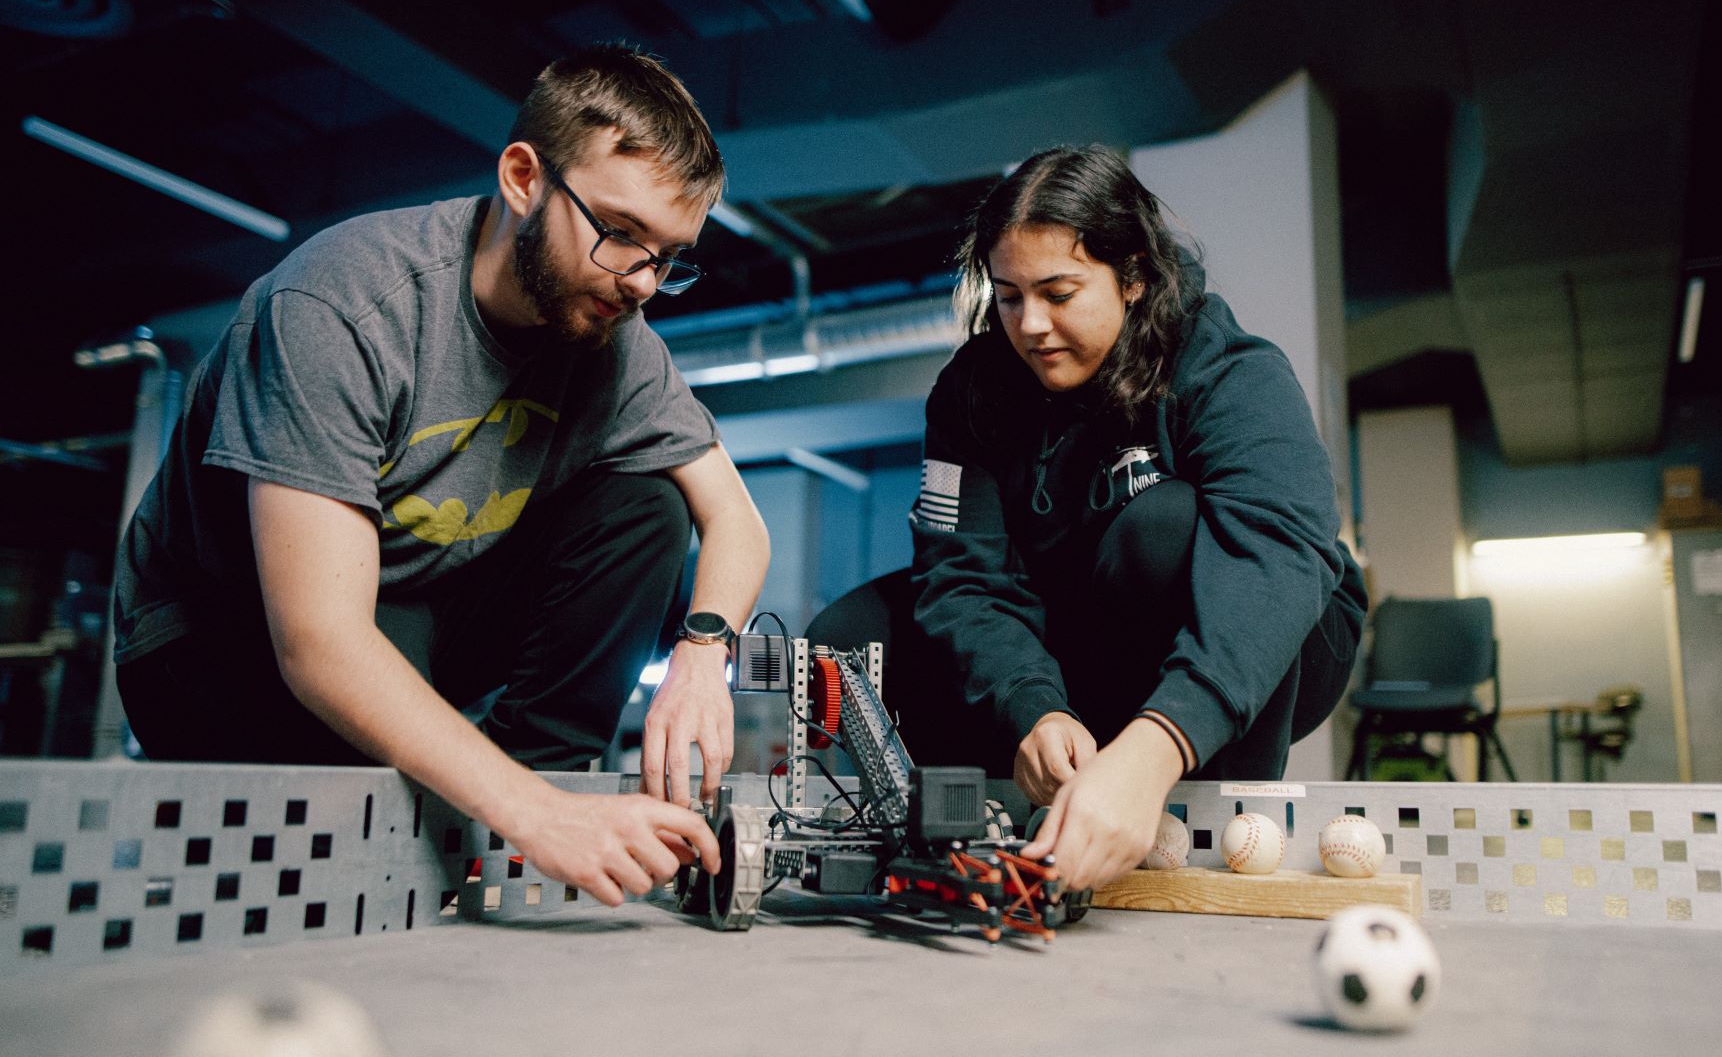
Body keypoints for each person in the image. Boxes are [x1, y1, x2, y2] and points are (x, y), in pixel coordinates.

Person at [112, 45, 771, 906]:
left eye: (669, 255)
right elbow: (318, 644)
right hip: (219, 642)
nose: (642, 282)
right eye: (619, 234)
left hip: (407, 608)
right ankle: (528, 815)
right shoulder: (344, 304)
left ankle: (539, 801)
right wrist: (523, 811)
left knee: (649, 504)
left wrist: (702, 656)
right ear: (524, 177)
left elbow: (737, 521)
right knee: (341, 874)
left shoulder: (614, 342)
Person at [812, 145, 1366, 892]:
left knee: (1160, 525)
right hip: (1083, 631)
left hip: (1276, 635)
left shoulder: (1226, 366)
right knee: (848, 636)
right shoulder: (970, 394)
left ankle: (1207, 816)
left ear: (1133, 275)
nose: (1030, 324)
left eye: (1059, 292)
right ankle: (975, 838)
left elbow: (1281, 551)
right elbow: (960, 576)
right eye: (1008, 296)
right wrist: (1034, 710)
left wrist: (1158, 744)